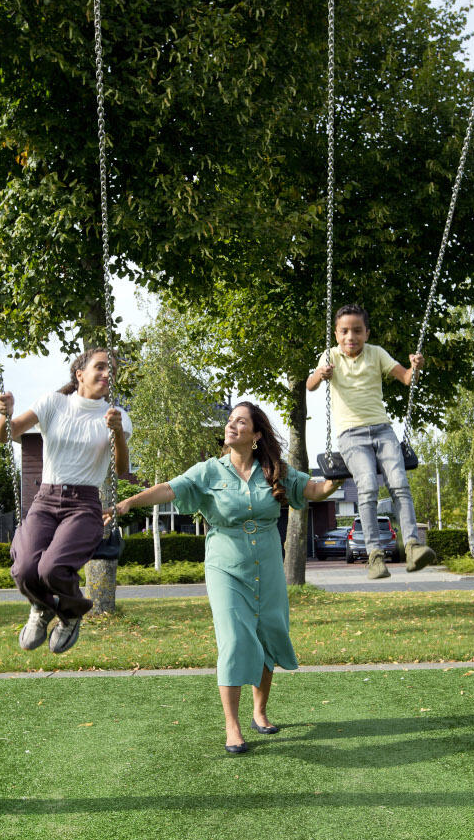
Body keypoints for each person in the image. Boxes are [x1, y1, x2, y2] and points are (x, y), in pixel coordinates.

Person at [109, 401, 340, 755]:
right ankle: (232, 727)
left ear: (257, 434)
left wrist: (340, 476)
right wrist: (129, 503)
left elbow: (314, 491)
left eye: (241, 422)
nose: (232, 426)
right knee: (234, 639)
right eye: (230, 421)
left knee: (268, 634)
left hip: (268, 566)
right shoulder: (208, 471)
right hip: (225, 566)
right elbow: (169, 489)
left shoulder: (275, 470)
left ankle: (259, 712)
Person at [0, 347, 132, 654]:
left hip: (83, 504)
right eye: (100, 367)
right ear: (79, 374)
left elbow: (121, 469)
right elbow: (6, 436)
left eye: (111, 369)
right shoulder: (53, 403)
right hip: (46, 498)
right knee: (25, 569)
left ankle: (69, 615)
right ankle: (42, 608)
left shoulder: (117, 416)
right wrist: (4, 414)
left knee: (52, 568)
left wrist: (118, 433)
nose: (107, 374)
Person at [306, 303, 436, 580]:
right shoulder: (329, 356)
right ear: (336, 333)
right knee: (366, 487)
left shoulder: (376, 353)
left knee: (399, 483)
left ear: (366, 333)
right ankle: (375, 556)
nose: (350, 337)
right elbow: (310, 385)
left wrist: (416, 367)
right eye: (344, 331)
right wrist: (321, 374)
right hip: (351, 435)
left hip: (382, 430)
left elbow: (406, 378)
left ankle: (412, 547)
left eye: (356, 331)